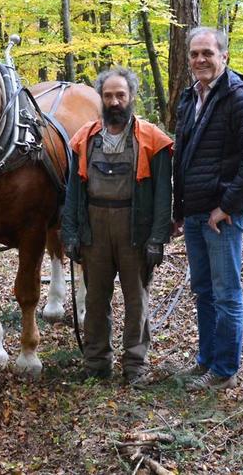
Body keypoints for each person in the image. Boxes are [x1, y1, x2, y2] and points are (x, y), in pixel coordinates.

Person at [61, 67, 173, 385]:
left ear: (131, 97)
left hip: (134, 229)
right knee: (95, 298)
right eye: (108, 96)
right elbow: (72, 191)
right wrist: (69, 233)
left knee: (136, 299)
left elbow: (164, 194)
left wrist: (157, 238)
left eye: (120, 95)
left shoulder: (153, 140)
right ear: (101, 98)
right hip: (94, 227)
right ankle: (96, 363)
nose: (114, 102)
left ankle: (135, 364)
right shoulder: (84, 138)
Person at [174, 27, 243, 391]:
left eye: (208, 54)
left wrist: (227, 205)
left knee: (226, 292)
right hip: (196, 213)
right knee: (204, 290)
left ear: (224, 57)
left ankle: (225, 370)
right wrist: (178, 210)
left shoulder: (238, 97)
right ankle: (207, 361)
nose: (200, 60)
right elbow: (183, 156)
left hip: (221, 216)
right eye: (195, 54)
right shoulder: (189, 98)